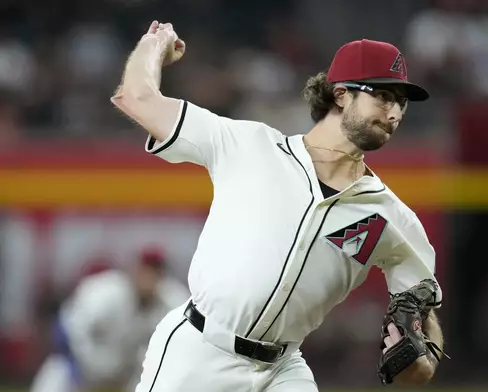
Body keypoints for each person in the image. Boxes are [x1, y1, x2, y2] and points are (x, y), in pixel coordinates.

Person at [111, 21, 445, 392]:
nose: (395, 111)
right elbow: (136, 97)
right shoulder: (250, 147)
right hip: (200, 353)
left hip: (283, 369)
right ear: (341, 94)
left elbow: (419, 306)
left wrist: (425, 361)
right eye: (383, 95)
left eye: (401, 101)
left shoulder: (390, 216)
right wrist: (154, 45)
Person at [29, 247, 190, 392]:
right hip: (80, 370)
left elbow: (188, 339)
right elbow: (65, 327)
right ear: (135, 270)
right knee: (57, 372)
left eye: (156, 272)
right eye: (146, 270)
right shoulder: (106, 292)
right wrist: (75, 365)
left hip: (124, 375)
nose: (149, 278)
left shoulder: (170, 300)